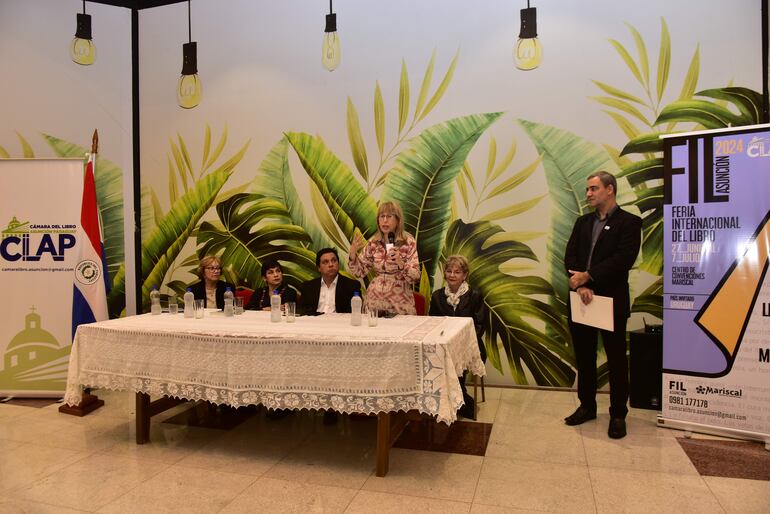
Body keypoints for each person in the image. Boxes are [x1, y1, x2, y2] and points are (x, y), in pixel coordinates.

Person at [563, 171, 642, 439]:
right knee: (584, 358)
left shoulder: (629, 223)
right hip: (582, 299)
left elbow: (623, 259)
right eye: (587, 189)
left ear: (610, 190)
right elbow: (570, 255)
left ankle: (618, 414)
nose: (588, 194)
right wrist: (581, 284)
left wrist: (590, 276)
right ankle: (587, 406)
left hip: (610, 301)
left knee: (617, 359)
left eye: (593, 189)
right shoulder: (582, 222)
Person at [429, 255, 486, 420]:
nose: (452, 275)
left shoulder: (474, 295)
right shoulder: (437, 296)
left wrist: (461, 344)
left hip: (470, 346)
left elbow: (480, 325)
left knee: (455, 358)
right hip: (442, 345)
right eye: (449, 271)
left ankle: (458, 400)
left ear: (465, 275)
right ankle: (457, 400)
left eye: (457, 272)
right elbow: (432, 323)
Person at [348, 201, 420, 315]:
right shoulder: (373, 242)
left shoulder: (408, 242)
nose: (385, 220)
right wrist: (352, 255)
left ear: (398, 220)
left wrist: (401, 263)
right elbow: (359, 272)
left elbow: (415, 277)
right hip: (374, 302)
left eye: (389, 216)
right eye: (382, 216)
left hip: (400, 303)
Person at [298, 248, 362, 316]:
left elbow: (352, 313)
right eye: (325, 262)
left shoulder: (352, 286)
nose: (331, 264)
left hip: (340, 323)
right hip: (315, 323)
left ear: (338, 264)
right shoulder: (308, 286)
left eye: (334, 260)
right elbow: (304, 312)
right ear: (319, 268)